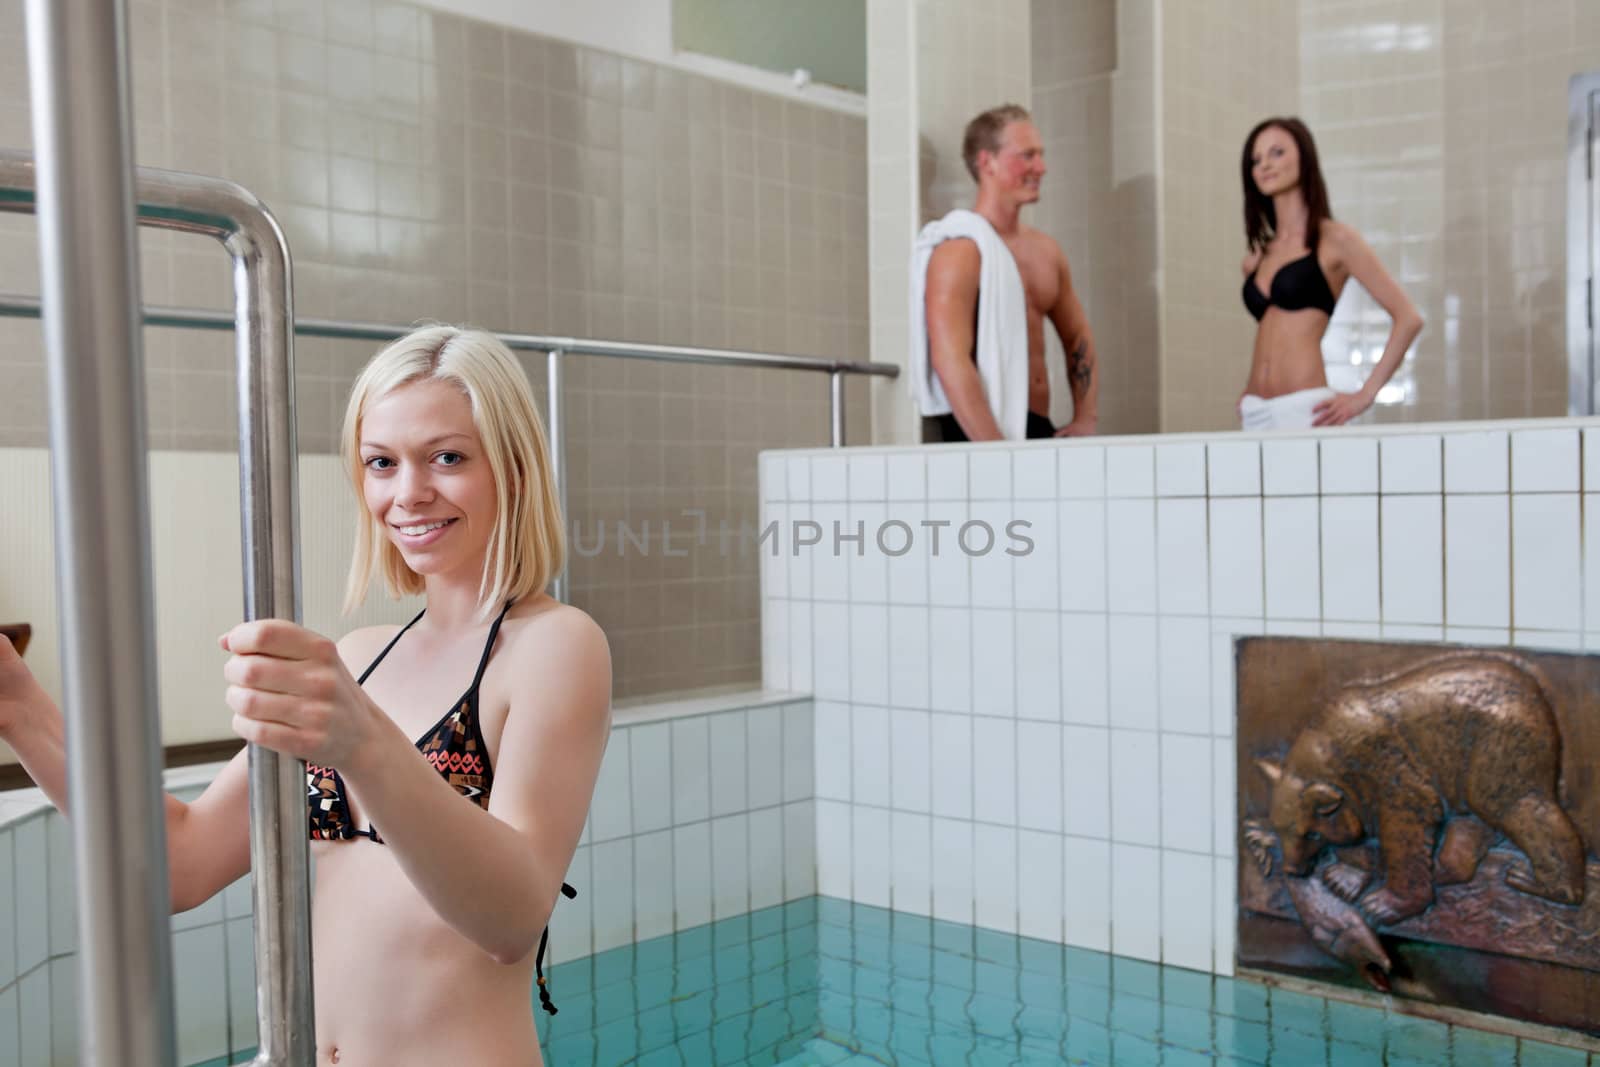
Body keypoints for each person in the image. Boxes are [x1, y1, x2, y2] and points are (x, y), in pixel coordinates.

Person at [0, 325, 612, 1066]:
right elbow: (181, 860)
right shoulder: (359, 659)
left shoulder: (553, 644)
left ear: (513, 469)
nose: (408, 491)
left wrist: (359, 740)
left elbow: (513, 917)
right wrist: (20, 705)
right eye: (381, 462)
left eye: (446, 457)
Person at [909, 104, 1100, 442]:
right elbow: (949, 359)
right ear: (987, 162)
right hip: (974, 434)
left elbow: (1077, 336)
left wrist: (1086, 418)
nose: (1041, 167)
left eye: (1041, 155)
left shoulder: (1046, 252)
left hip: (1038, 426)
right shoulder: (959, 250)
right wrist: (995, 453)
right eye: (1026, 156)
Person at [1238, 117, 1423, 429]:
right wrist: (1248, 396)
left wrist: (1364, 395)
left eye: (1277, 153)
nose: (1265, 165)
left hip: (1306, 410)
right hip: (1254, 410)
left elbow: (1409, 318)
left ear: (1305, 158)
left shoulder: (1336, 240)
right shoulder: (1257, 258)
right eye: (1256, 160)